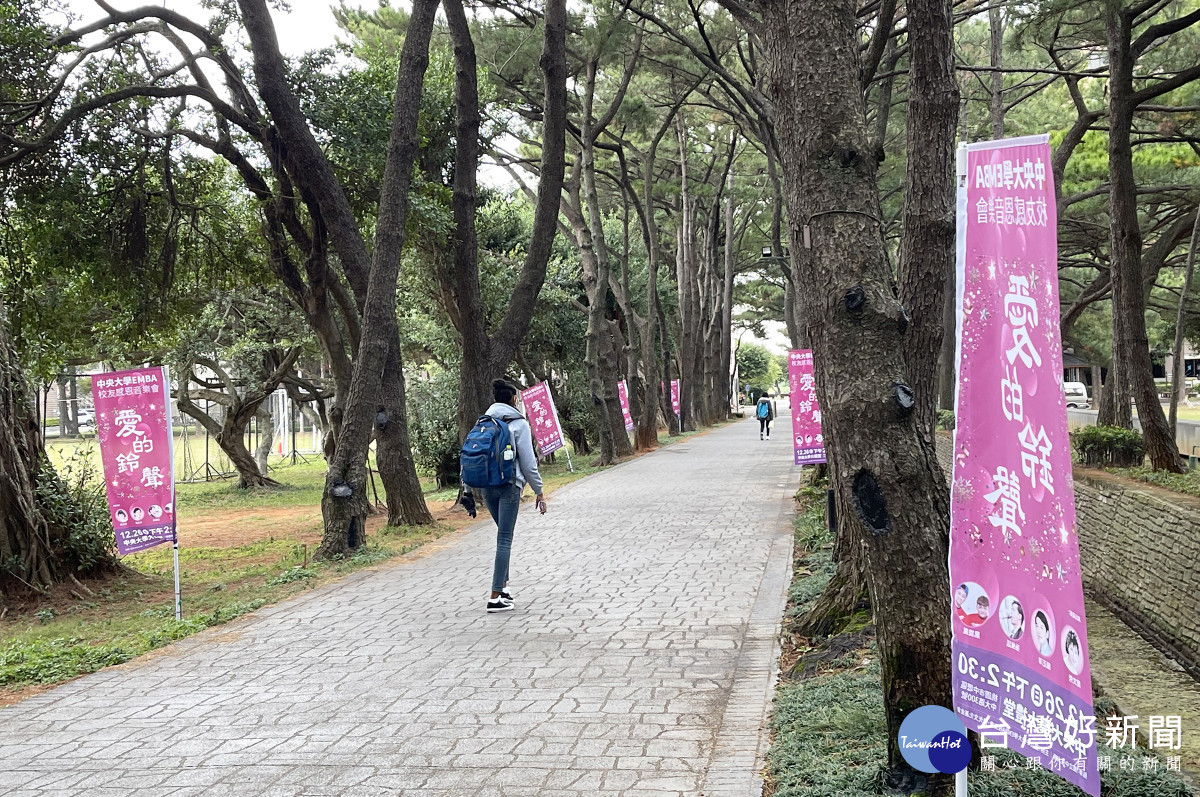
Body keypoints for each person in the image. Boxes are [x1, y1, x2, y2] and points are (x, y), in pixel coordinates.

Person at [461, 379, 547, 613]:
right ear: (513, 399)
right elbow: (529, 465)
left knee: (503, 536)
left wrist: (467, 491)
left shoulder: (484, 421)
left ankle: (505, 589)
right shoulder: (518, 424)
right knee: (505, 539)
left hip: (486, 486)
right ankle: (495, 595)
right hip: (509, 486)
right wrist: (539, 491)